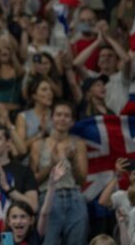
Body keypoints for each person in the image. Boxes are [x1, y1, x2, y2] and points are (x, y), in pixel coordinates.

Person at [29, 102, 88, 245]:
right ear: (51, 118)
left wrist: (73, 162)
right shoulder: (38, 144)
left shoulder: (79, 144)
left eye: (67, 116)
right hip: (48, 199)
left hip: (74, 197)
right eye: (58, 115)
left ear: (72, 121)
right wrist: (51, 165)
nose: (62, 118)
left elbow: (82, 180)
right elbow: (33, 181)